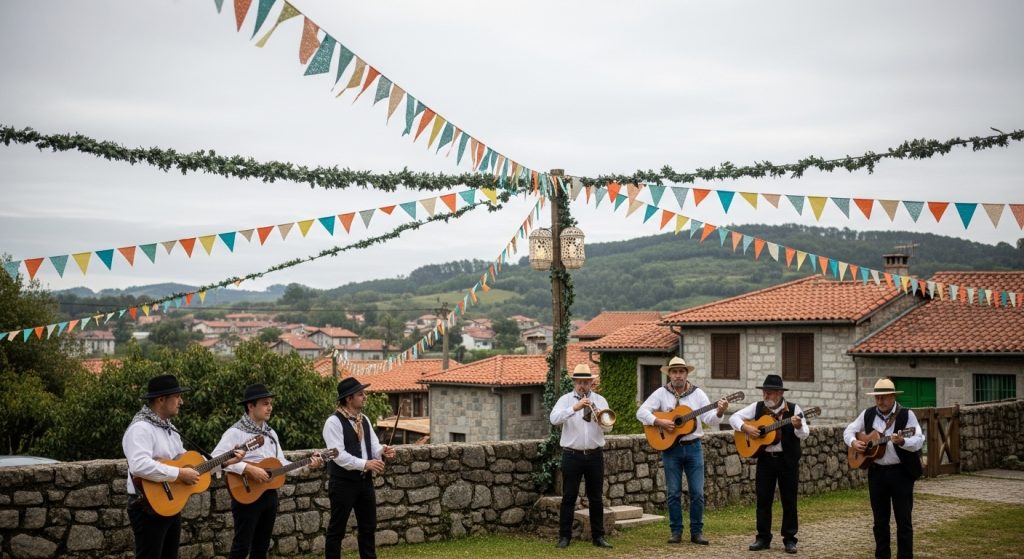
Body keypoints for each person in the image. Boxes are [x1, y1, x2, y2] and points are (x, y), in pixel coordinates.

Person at [122, 374, 244, 559]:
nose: (181, 401)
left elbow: (192, 465)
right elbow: (138, 465)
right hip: (146, 506)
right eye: (177, 396)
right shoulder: (141, 428)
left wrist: (225, 461)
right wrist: (179, 474)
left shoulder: (170, 429)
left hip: (170, 503)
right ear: (161, 399)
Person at [213, 383, 324, 559]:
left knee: (261, 547)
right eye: (265, 403)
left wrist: (307, 465)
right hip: (246, 493)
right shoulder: (235, 432)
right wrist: (248, 469)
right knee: (241, 547)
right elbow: (215, 460)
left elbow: (281, 463)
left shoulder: (271, 433)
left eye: (271, 403)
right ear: (251, 406)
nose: (270, 407)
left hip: (269, 494)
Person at [637, 356, 729, 545]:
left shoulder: (698, 394)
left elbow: (709, 419)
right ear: (669, 374)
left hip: (694, 447)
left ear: (686, 374)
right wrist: (659, 421)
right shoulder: (661, 393)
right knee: (673, 493)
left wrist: (720, 411)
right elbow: (641, 412)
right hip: (671, 449)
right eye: (674, 372)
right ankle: (676, 531)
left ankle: (697, 532)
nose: (678, 375)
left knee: (697, 493)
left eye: (681, 372)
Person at [843, 378, 924, 559]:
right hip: (877, 474)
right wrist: (854, 442)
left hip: (901, 473)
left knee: (904, 521)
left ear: (893, 396)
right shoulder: (868, 414)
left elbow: (918, 440)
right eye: (877, 398)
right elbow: (848, 431)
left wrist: (902, 441)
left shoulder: (907, 415)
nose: (880, 401)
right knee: (879, 521)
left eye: (884, 397)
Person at [729, 374, 809, 554]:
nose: (765, 396)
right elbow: (733, 418)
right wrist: (746, 427)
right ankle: (763, 538)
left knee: (789, 500)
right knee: (763, 499)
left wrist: (797, 426)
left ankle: (790, 539)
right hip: (765, 460)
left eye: (770, 393)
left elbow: (804, 434)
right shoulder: (758, 407)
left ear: (780, 393)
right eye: (764, 392)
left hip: (787, 460)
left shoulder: (794, 409)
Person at [323, 377, 396, 559]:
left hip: (364, 482)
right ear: (349, 398)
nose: (365, 397)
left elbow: (372, 446)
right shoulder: (333, 422)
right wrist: (365, 464)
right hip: (343, 483)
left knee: (368, 528)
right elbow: (338, 455)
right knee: (337, 530)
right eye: (360, 394)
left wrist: (383, 450)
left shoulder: (364, 420)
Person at [549, 364, 613, 549]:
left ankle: (598, 537)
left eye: (586, 382)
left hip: (594, 455)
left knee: (596, 498)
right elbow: (554, 419)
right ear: (574, 383)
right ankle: (564, 537)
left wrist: (599, 419)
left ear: (591, 383)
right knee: (569, 497)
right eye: (579, 382)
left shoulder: (600, 400)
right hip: (572, 455)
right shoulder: (565, 400)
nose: (582, 386)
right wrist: (574, 408)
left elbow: (609, 427)